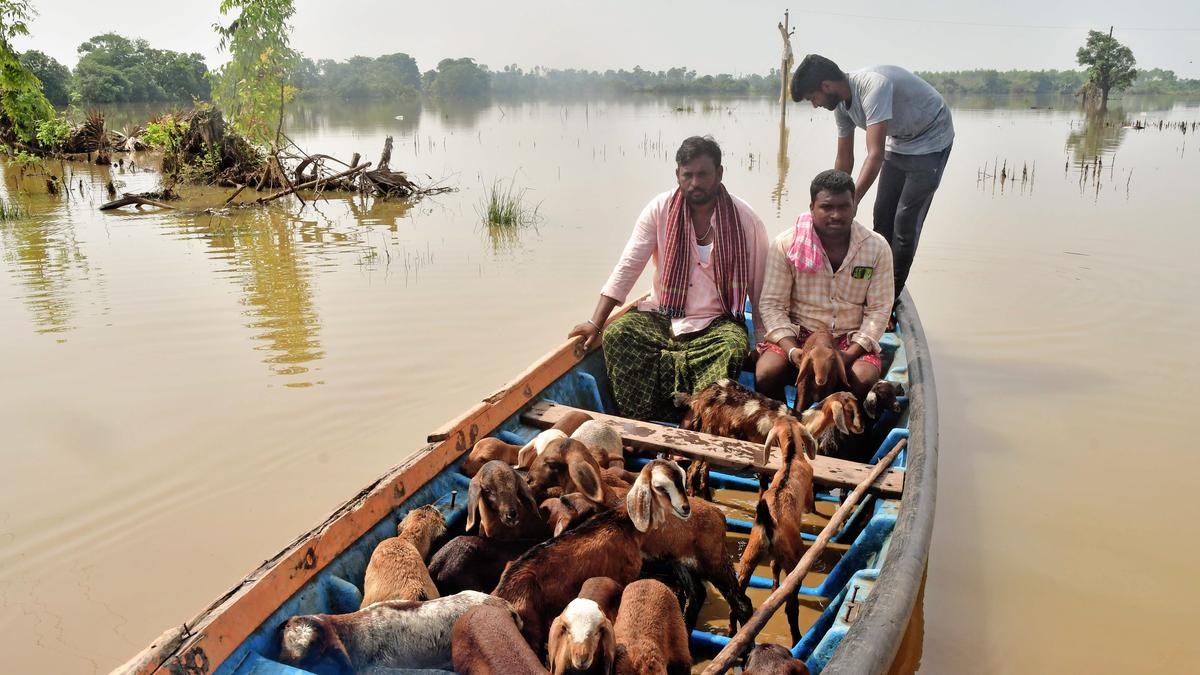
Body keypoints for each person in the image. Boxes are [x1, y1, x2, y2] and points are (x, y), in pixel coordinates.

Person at [569, 136, 768, 421]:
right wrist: (595, 323)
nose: (695, 183)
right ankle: (640, 419)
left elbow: (758, 290)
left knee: (733, 346)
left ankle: (695, 414)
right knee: (618, 334)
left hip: (717, 322)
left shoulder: (747, 221)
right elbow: (628, 266)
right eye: (687, 175)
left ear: (720, 174)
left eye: (703, 175)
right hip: (665, 314)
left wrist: (761, 342)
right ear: (678, 175)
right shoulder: (659, 210)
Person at [790, 54, 952, 299]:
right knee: (882, 216)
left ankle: (889, 298)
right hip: (899, 140)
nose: (814, 105)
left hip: (931, 138)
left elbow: (874, 155)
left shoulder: (873, 87)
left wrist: (851, 202)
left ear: (826, 86)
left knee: (904, 224)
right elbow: (845, 160)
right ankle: (874, 284)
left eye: (813, 98)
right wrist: (833, 198)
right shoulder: (842, 106)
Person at [755, 170, 893, 404]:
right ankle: (784, 420)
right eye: (827, 207)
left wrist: (848, 356)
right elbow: (772, 305)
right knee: (766, 373)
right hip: (799, 336)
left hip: (849, 339)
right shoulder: (786, 245)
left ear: (855, 207)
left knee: (863, 378)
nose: (836, 215)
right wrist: (792, 351)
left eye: (844, 207)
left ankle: (839, 431)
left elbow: (879, 311)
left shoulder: (876, 248)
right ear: (812, 207)